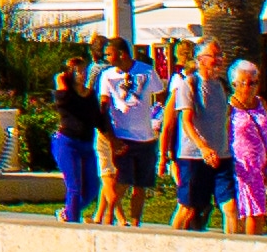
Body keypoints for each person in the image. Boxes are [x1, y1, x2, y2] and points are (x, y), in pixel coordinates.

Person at [167, 44, 237, 229]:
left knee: (231, 207)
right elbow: (186, 121)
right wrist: (203, 147)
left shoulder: (221, 86)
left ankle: (232, 251)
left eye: (221, 55)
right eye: (215, 55)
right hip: (194, 157)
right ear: (200, 60)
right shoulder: (189, 84)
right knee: (188, 208)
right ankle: (171, 246)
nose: (220, 59)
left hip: (222, 156)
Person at [94, 43, 162, 228]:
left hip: (146, 137)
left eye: (109, 54)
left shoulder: (146, 71)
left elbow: (161, 95)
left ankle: (135, 222)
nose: (106, 57)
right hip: (122, 136)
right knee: (122, 181)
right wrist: (112, 138)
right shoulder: (107, 76)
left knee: (140, 185)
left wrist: (158, 120)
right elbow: (104, 106)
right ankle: (110, 217)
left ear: (122, 54)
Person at [50, 52, 103, 224]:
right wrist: (61, 80)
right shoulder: (66, 93)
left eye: (83, 71)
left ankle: (67, 212)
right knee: (74, 187)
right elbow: (62, 101)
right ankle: (73, 223)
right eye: (77, 71)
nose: (82, 75)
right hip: (67, 142)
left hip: (86, 143)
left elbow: (98, 119)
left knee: (92, 188)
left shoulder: (90, 94)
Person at [227, 60, 267, 235]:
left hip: (259, 169)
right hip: (241, 167)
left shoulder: (261, 103)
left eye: (254, 82)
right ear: (234, 83)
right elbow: (223, 136)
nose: (250, 87)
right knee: (247, 212)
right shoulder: (229, 106)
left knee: (259, 213)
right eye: (246, 83)